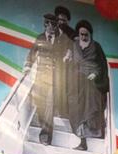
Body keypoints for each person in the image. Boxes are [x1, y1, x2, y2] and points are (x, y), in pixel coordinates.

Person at [24, 13, 70, 146]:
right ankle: (42, 123)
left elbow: (67, 51)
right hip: (40, 77)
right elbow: (32, 53)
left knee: (50, 104)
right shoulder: (40, 38)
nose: (51, 27)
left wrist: (67, 55)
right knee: (40, 104)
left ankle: (45, 136)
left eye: (54, 24)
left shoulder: (60, 40)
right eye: (49, 24)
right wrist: (27, 67)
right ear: (45, 25)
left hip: (54, 78)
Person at [67, 20, 109, 151]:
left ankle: (88, 142)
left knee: (90, 110)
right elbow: (72, 62)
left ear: (90, 34)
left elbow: (102, 65)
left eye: (86, 34)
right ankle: (82, 142)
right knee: (78, 110)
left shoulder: (96, 46)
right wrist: (68, 59)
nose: (83, 37)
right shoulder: (74, 45)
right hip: (77, 83)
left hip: (92, 84)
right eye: (81, 34)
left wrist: (95, 74)